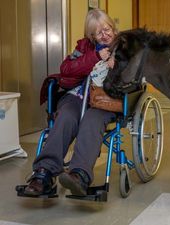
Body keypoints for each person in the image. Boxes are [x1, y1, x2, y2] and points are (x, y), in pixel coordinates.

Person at [24, 8, 117, 197]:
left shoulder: (126, 45)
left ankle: (79, 175)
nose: (104, 35)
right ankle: (44, 173)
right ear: (91, 36)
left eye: (107, 29)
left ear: (113, 28)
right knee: (66, 116)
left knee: (92, 120)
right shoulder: (84, 47)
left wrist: (118, 65)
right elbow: (66, 69)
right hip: (78, 96)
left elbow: (136, 76)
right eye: (98, 33)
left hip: (105, 100)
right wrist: (95, 57)